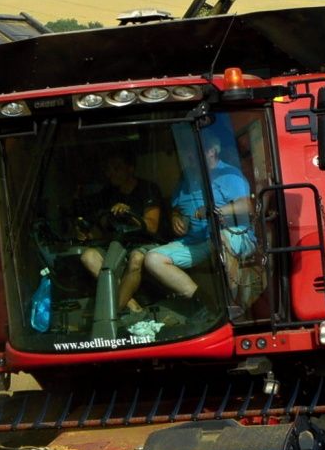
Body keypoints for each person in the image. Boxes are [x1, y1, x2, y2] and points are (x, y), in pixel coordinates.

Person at [142, 118, 256, 304]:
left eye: (193, 151)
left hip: (232, 235)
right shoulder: (187, 178)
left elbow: (247, 206)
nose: (188, 155)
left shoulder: (229, 174)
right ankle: (206, 303)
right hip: (196, 241)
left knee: (222, 239)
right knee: (152, 259)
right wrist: (175, 218)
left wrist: (215, 210)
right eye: (187, 151)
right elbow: (176, 208)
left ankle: (233, 304)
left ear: (212, 151)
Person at [75, 151, 166, 313]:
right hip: (117, 244)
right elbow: (101, 228)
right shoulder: (107, 193)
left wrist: (129, 214)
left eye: (116, 168)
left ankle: (114, 312)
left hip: (144, 243)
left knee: (136, 258)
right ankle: (131, 305)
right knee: (88, 256)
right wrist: (85, 234)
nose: (111, 173)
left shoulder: (148, 189)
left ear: (130, 169)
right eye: (108, 169)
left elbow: (152, 226)